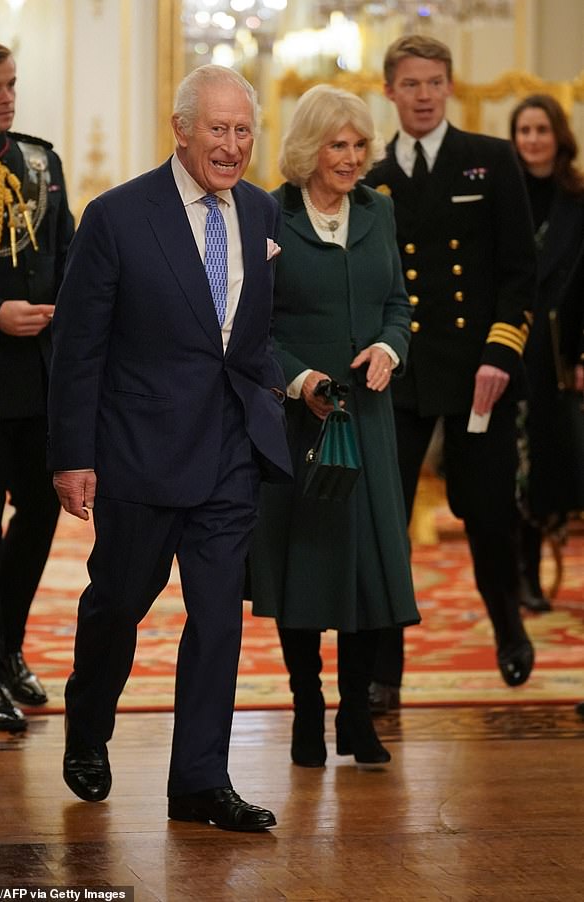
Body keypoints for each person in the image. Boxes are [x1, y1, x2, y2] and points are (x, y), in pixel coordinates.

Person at [47, 64, 292, 830]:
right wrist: (71, 455)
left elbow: (250, 339)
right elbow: (79, 345)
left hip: (229, 450)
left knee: (219, 616)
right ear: (181, 129)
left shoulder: (261, 213)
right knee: (119, 604)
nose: (232, 145)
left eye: (243, 130)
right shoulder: (116, 216)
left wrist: (284, 393)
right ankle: (88, 728)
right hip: (140, 451)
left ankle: (198, 782)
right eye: (217, 129)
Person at [363, 34, 538, 711]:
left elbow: (519, 273)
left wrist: (501, 354)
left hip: (477, 372)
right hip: (401, 372)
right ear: (390, 92)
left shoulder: (490, 162)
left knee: (489, 513)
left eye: (436, 82)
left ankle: (508, 625)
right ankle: (386, 667)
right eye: (412, 84)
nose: (425, 95)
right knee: (387, 520)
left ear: (451, 86)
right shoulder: (373, 178)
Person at [248, 85, 420, 769]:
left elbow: (399, 306)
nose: (351, 159)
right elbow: (253, 327)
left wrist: (389, 349)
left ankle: (354, 716)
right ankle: (306, 710)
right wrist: (301, 382)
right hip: (298, 419)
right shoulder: (270, 214)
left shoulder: (380, 212)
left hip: (367, 420)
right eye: (336, 145)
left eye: (359, 146)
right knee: (302, 569)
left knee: (362, 571)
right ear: (307, 149)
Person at [0, 39, 74, 731]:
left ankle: (5, 646)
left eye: (11, 84)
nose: (8, 98)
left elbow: (65, 254)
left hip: (40, 380)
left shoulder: (39, 160)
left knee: (40, 516)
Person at [509, 94, 584, 611]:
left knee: (558, 465)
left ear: (558, 135)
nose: (532, 139)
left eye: (541, 129)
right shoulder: (504, 193)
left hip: (564, 349)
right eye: (523, 130)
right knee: (515, 466)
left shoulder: (578, 199)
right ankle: (523, 575)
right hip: (511, 345)